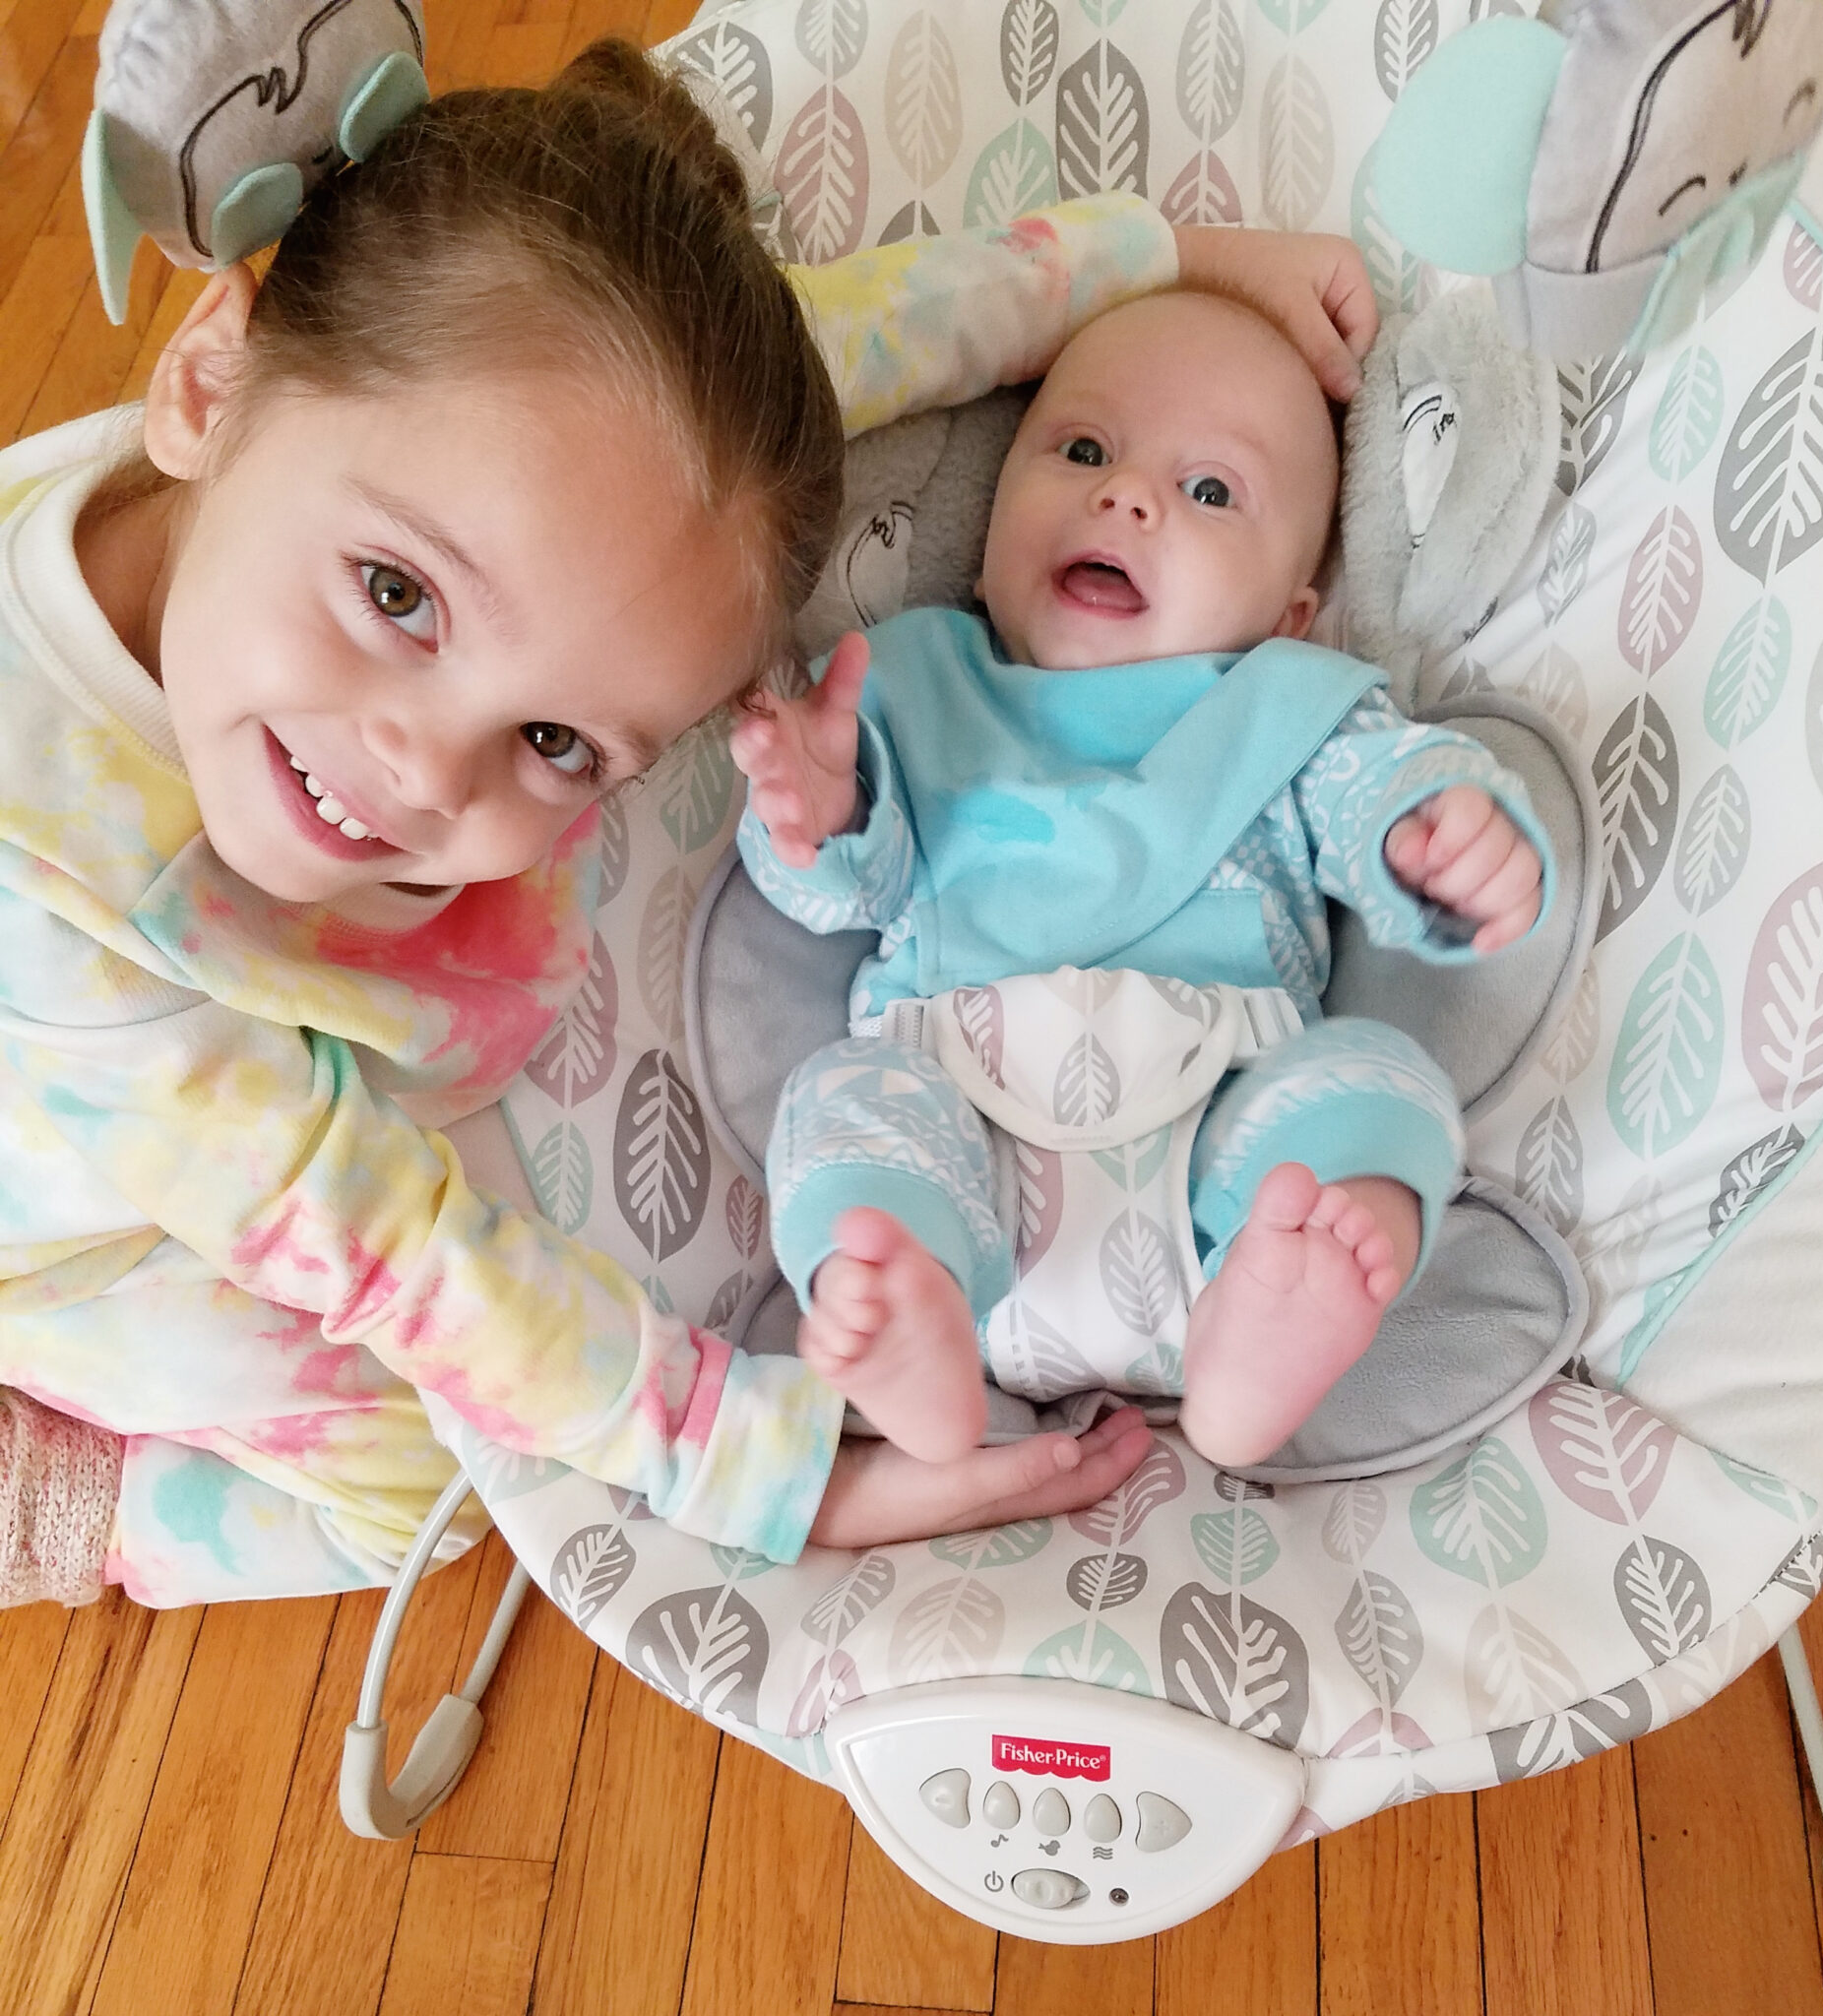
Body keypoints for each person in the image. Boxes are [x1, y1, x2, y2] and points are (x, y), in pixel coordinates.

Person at [0, 41, 1387, 1606]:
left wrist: (1187, 263)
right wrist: (777, 1467)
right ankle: (54, 1513)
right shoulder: (57, 926)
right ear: (203, 384)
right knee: (424, 1479)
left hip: (261, 1048)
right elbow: (397, 1257)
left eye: (557, 741)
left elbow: (893, 325)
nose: (425, 781)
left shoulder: (474, 450)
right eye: (396, 597)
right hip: (72, 1220)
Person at [735, 288, 1551, 1475]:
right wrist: (814, 813)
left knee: (1383, 1084)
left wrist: (1435, 829)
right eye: (1080, 449)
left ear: (1291, 612)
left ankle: (1259, 1337)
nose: (1124, 495)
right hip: (962, 1140)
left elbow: (1378, 783)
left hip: (1227, 1164)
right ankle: (908, 1310)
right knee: (841, 1102)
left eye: (1209, 490)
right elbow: (836, 893)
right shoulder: (906, 683)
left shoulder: (1286, 704)